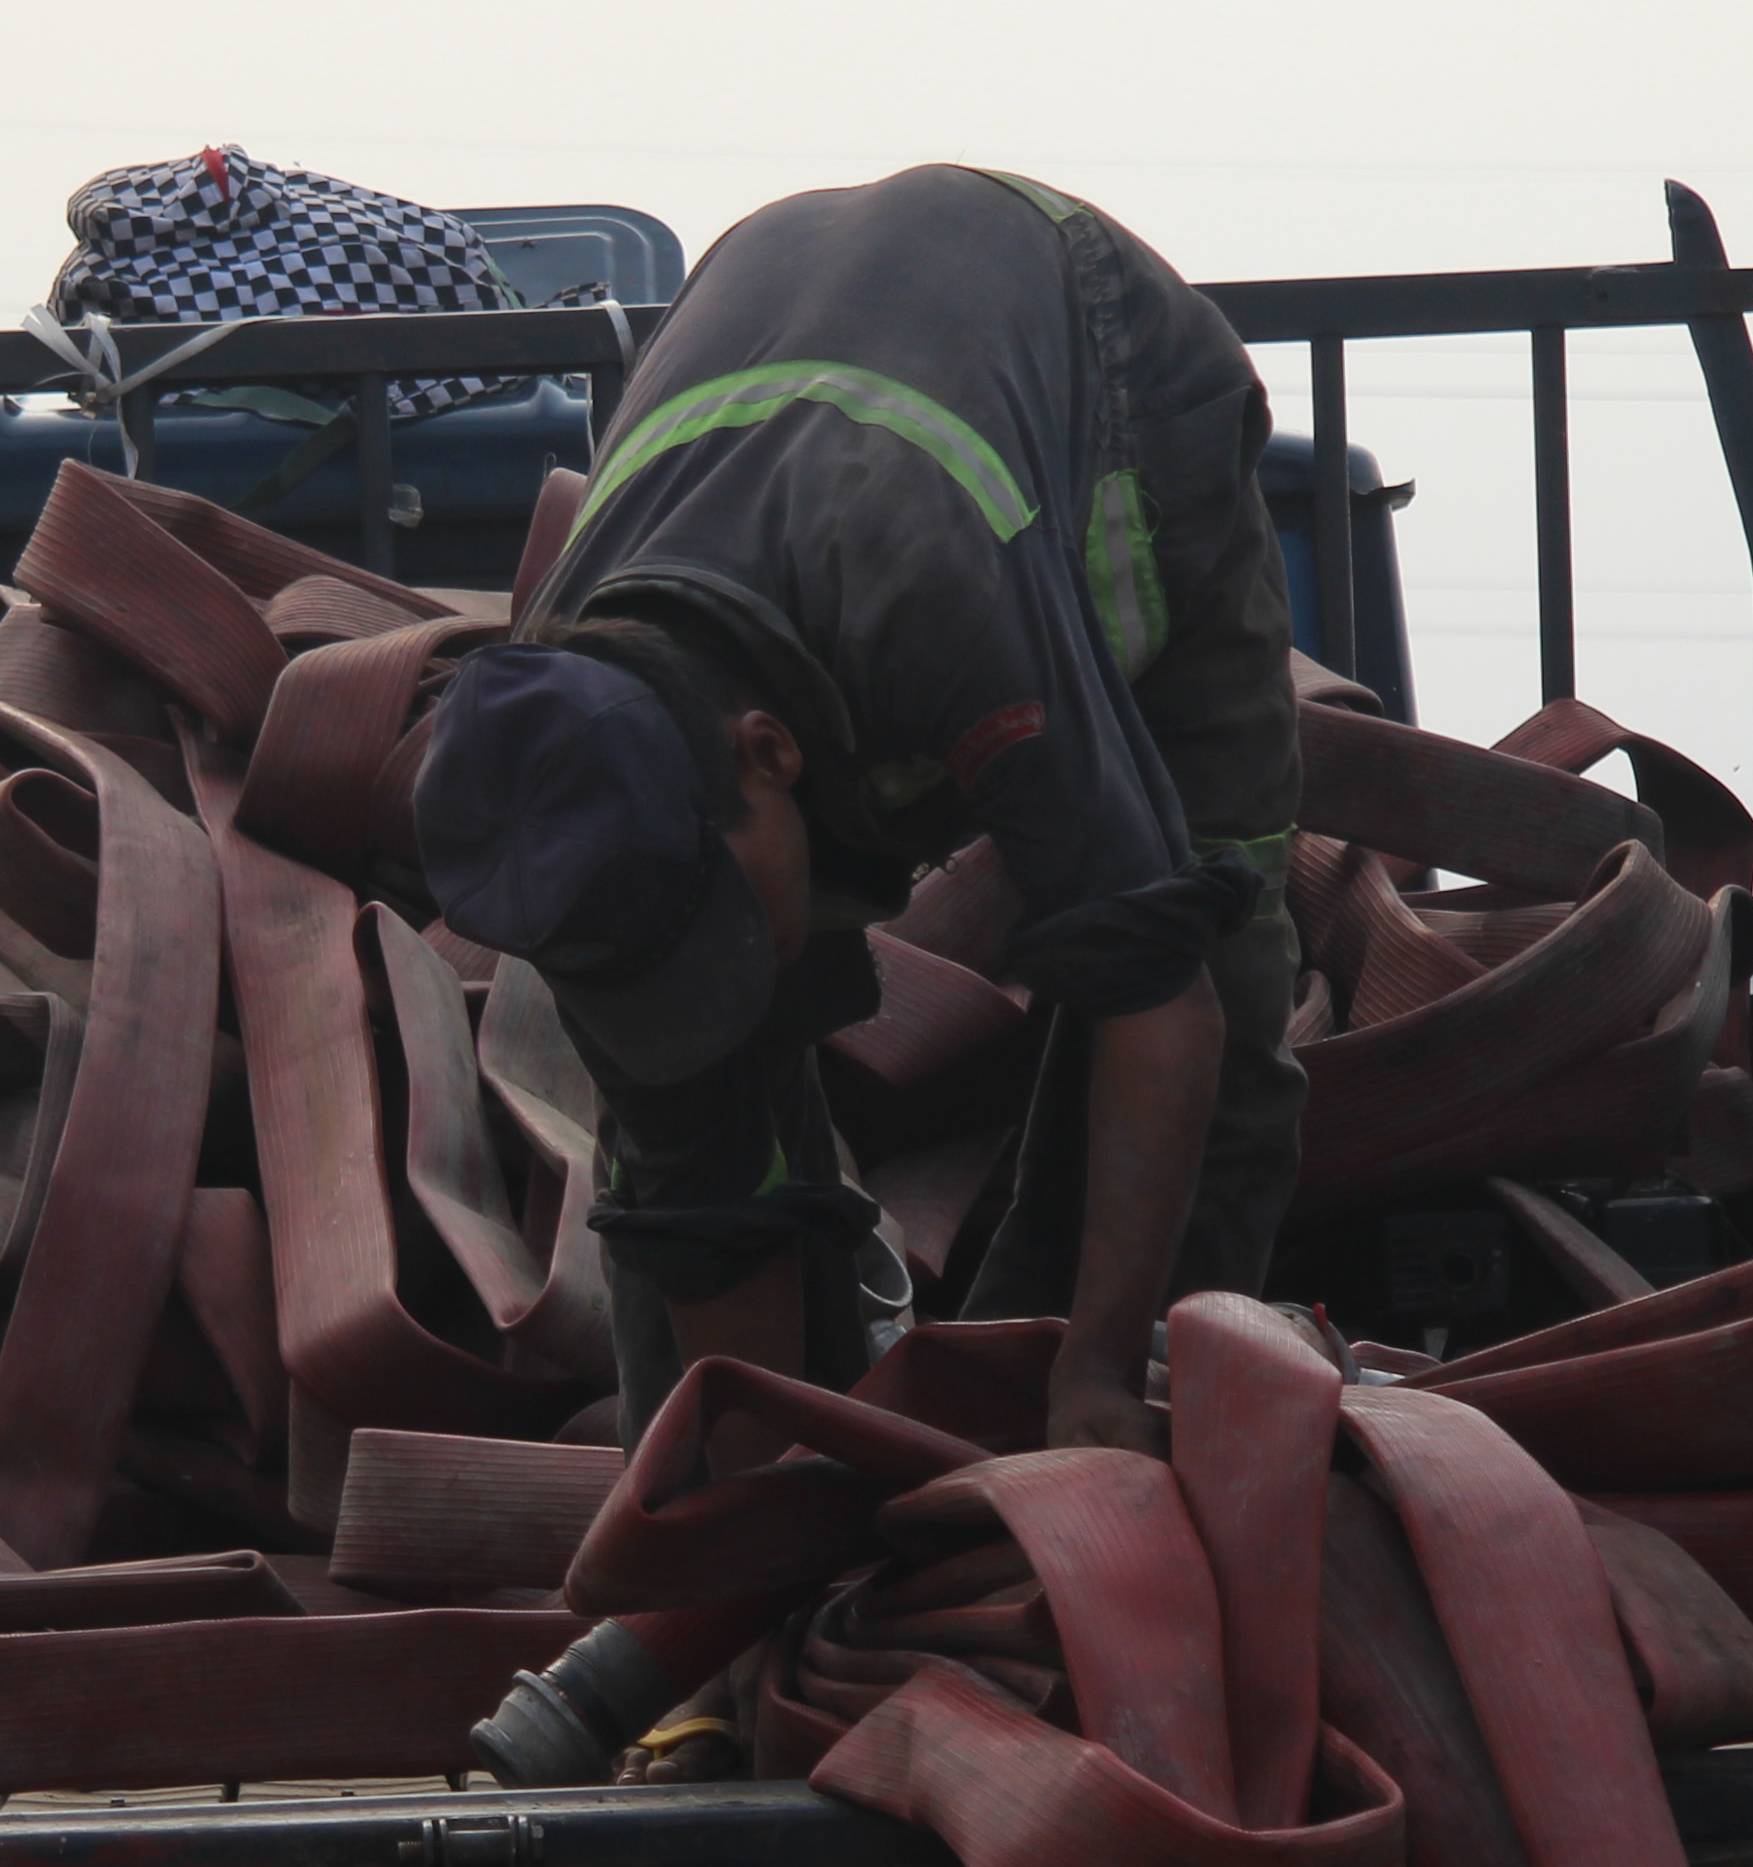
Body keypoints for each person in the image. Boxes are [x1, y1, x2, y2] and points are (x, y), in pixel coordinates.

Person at [416, 163, 1305, 1467]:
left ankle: (1091, 1392)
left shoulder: (938, 592)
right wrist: (754, 1497)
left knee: (1206, 915)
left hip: (1096, 350)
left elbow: (1157, 993)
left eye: (723, 921)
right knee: (692, 1107)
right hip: (801, 346)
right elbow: (697, 1191)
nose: (723, 965)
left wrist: (1099, 1368)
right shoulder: (570, 742)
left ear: (767, 753)